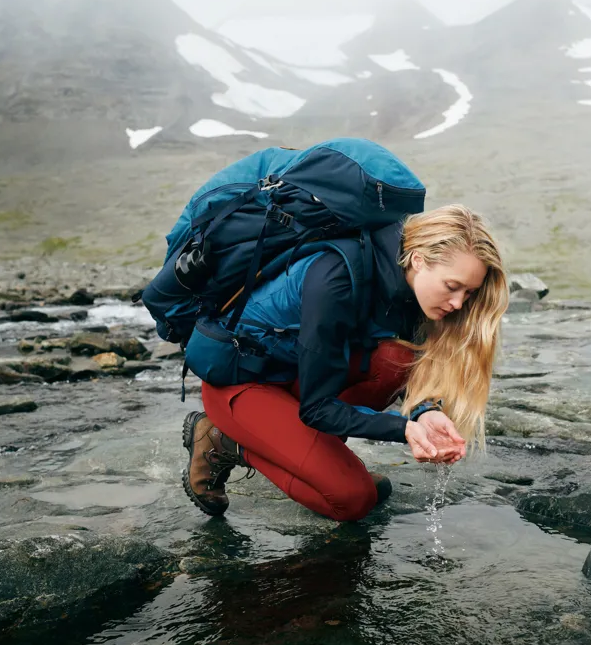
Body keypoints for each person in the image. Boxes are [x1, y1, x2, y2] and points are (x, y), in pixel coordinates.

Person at [181, 203, 508, 521]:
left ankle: (305, 451)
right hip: (240, 384)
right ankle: (226, 440)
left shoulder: (406, 292)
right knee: (353, 499)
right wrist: (404, 428)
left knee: (397, 358)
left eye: (468, 293)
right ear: (419, 260)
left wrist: (427, 411)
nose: (458, 303)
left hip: (295, 376)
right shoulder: (335, 279)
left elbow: (403, 371)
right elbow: (317, 408)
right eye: (453, 287)